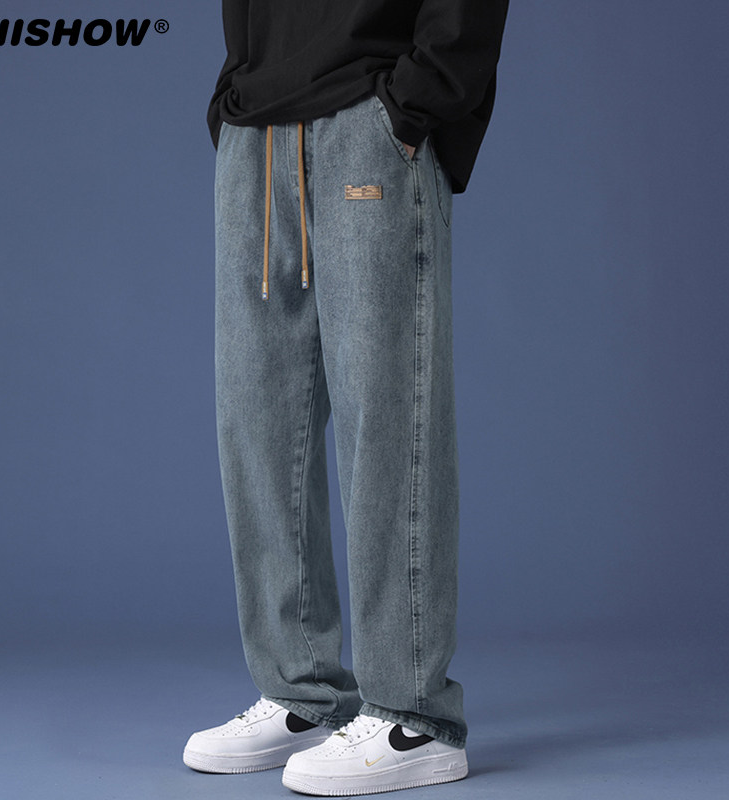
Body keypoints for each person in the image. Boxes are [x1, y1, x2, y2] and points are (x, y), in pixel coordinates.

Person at [183, 1, 509, 795]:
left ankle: (414, 715)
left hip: (369, 115)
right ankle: (302, 693)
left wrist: (413, 103)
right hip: (256, 130)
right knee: (257, 423)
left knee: (388, 419)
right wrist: (234, 94)